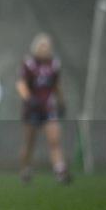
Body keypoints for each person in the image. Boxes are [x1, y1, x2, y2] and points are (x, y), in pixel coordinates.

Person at [16, 33, 70, 184]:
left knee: (54, 140)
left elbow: (56, 85)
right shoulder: (29, 64)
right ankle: (25, 169)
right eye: (42, 46)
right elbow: (21, 84)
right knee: (29, 142)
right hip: (32, 108)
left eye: (47, 47)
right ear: (35, 48)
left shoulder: (54, 64)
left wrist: (61, 102)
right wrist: (28, 99)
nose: (44, 49)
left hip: (48, 107)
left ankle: (60, 170)